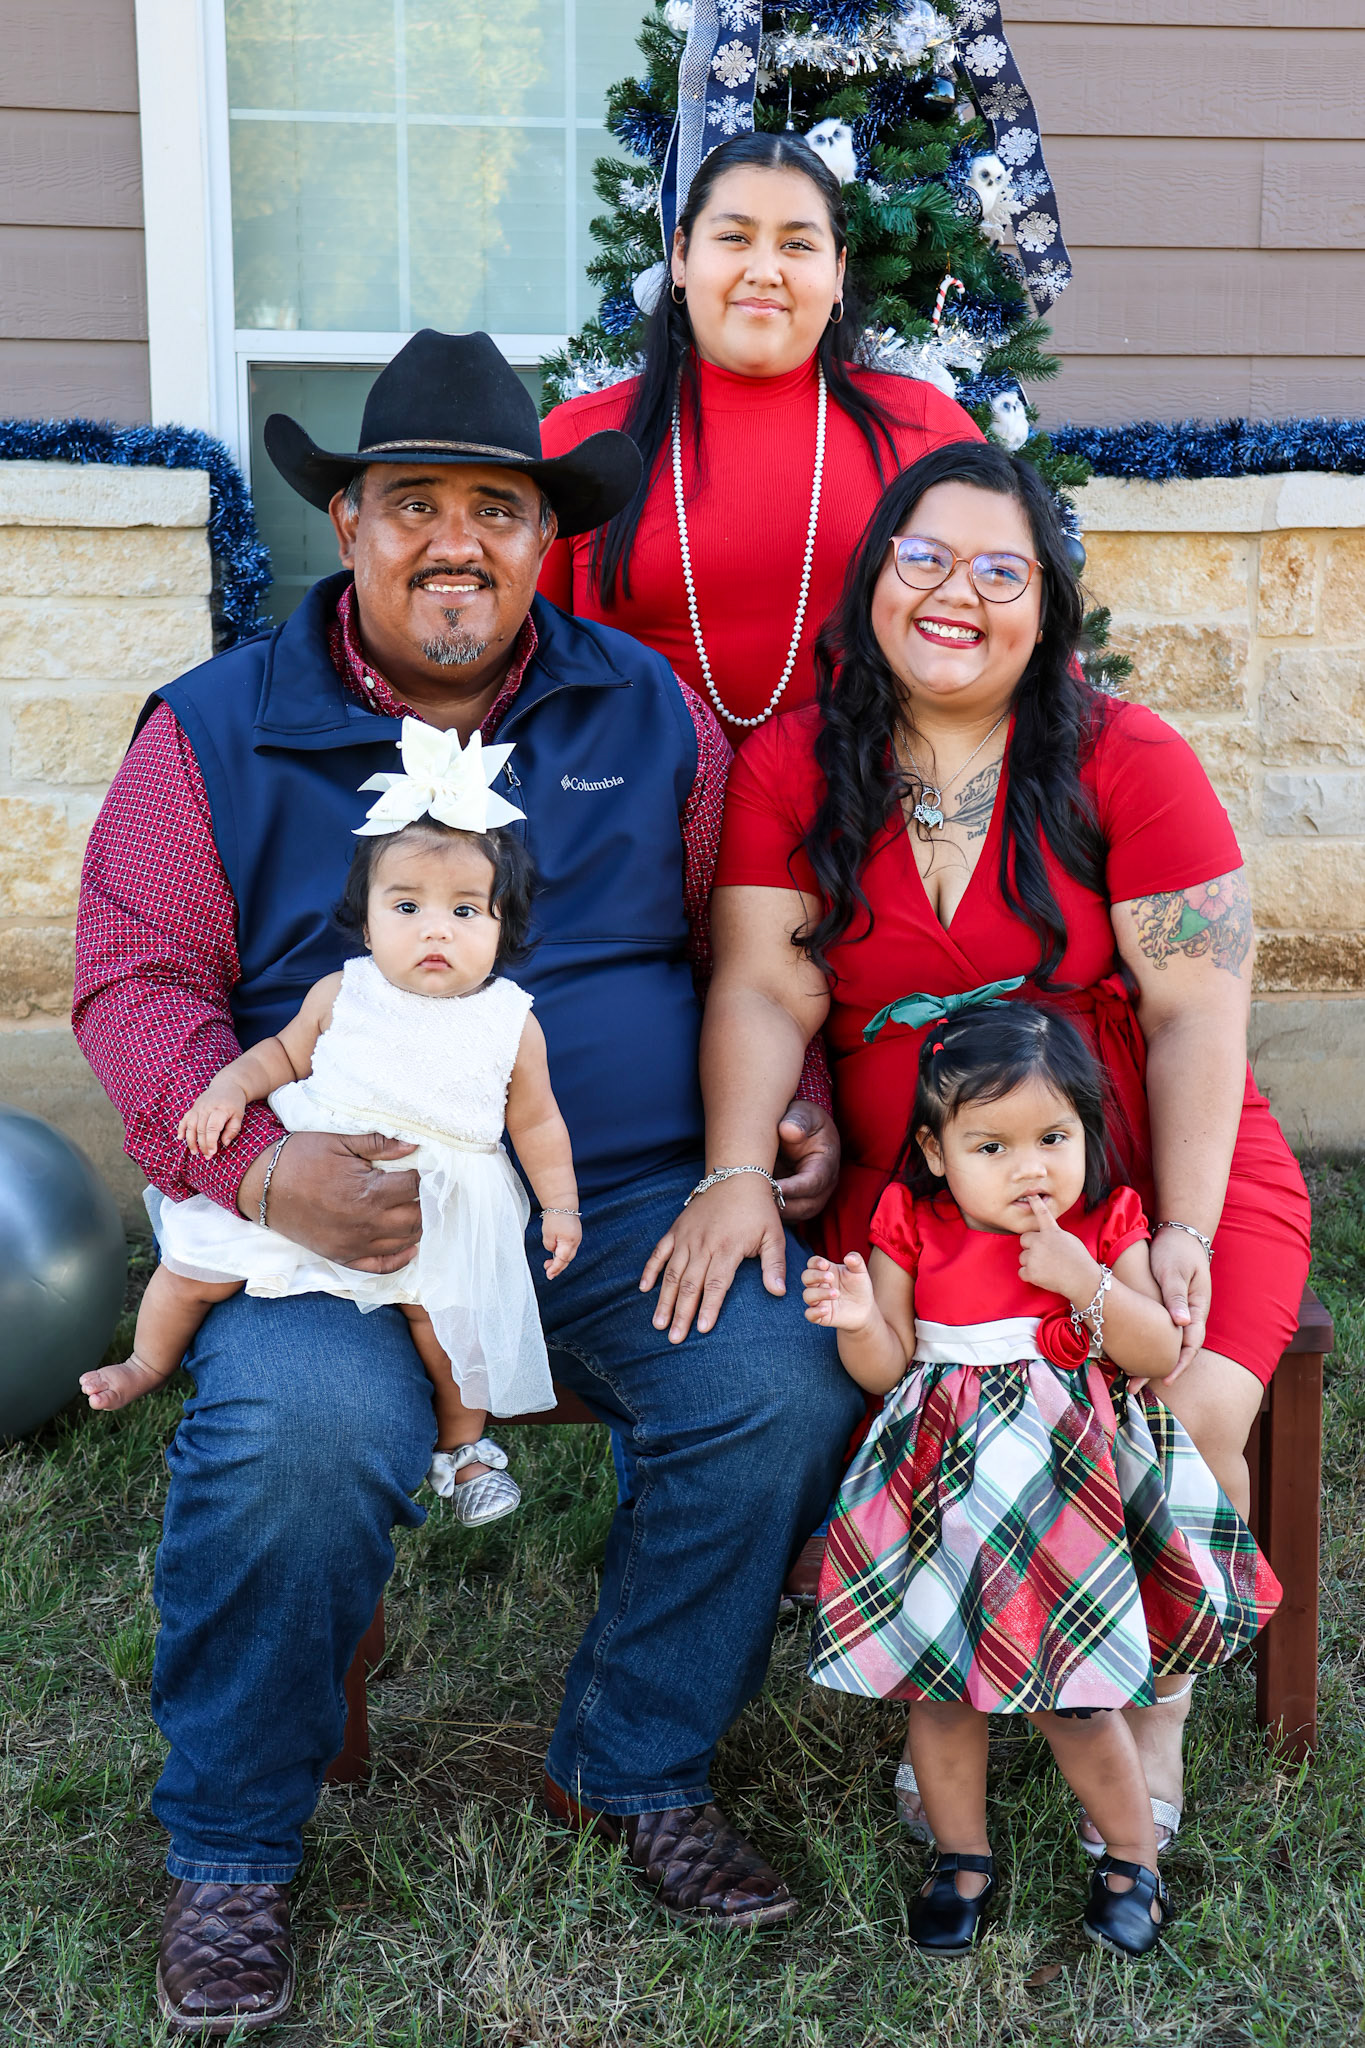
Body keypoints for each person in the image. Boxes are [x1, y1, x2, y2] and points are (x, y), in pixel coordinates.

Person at [73, 329, 862, 2036]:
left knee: (777, 1381)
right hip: (349, 1208)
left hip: (619, 1200)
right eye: (414, 502)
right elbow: (135, 988)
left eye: (496, 510)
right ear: (349, 523)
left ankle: (632, 1761)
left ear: (546, 538)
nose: (455, 542)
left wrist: (794, 1103)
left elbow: (746, 946)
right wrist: (264, 1172)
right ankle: (231, 1846)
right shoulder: (213, 728)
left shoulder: (646, 709)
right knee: (295, 1434)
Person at [649, 440, 1312, 1869]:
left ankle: (1150, 1703)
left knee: (1180, 1398)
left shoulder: (1126, 754)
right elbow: (762, 985)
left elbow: (1198, 1008)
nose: (960, 594)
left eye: (1003, 571)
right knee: (930, 1412)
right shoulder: (793, 760)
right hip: (918, 1183)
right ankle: (951, 1670)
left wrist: (1183, 1227)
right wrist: (739, 1167)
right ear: (874, 579)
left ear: (1047, 605)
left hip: (1144, 1156)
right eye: (927, 559)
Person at [801, 997, 1279, 1960]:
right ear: (935, 1151)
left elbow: (1153, 1352)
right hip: (940, 1495)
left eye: (1051, 1138)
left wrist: (1081, 1279)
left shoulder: (1103, 1223)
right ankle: (960, 1860)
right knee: (940, 1692)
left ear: (1084, 1135)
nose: (1029, 1168)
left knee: (1078, 1696)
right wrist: (857, 1320)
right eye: (991, 1147)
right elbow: (888, 1367)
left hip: (1068, 1502)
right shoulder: (912, 1223)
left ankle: (1131, 1860)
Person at [81, 758, 582, 1527]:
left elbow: (537, 1122)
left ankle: (463, 1449)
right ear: (368, 920)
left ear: (502, 928)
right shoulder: (344, 992)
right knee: (194, 1268)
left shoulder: (511, 1022)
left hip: (437, 1207)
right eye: (406, 905)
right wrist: (226, 1088)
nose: (435, 928)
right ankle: (146, 1362)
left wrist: (560, 1206)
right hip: (307, 1177)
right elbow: (279, 1056)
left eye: (465, 910)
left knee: (451, 1331)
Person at [539, 131, 983, 744]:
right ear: (681, 258)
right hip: (628, 799)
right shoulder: (578, 440)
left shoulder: (926, 431)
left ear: (837, 272)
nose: (764, 271)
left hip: (864, 798)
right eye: (734, 238)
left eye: (797, 244)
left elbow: (1020, 651)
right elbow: (513, 670)